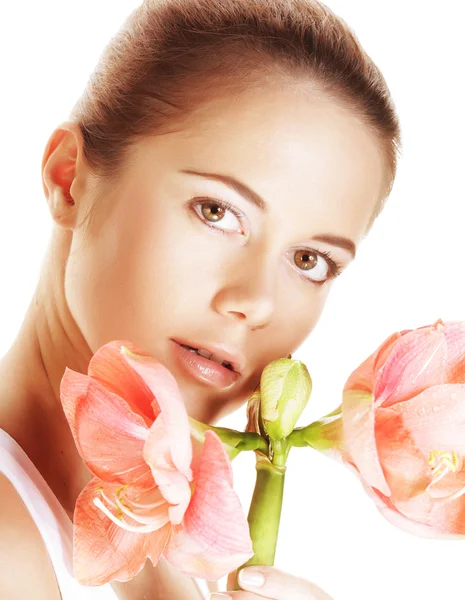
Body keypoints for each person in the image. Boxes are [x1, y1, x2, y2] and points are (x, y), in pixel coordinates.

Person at [0, 0, 401, 598]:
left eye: (310, 260)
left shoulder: (193, 557)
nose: (256, 302)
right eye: (218, 212)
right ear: (69, 180)